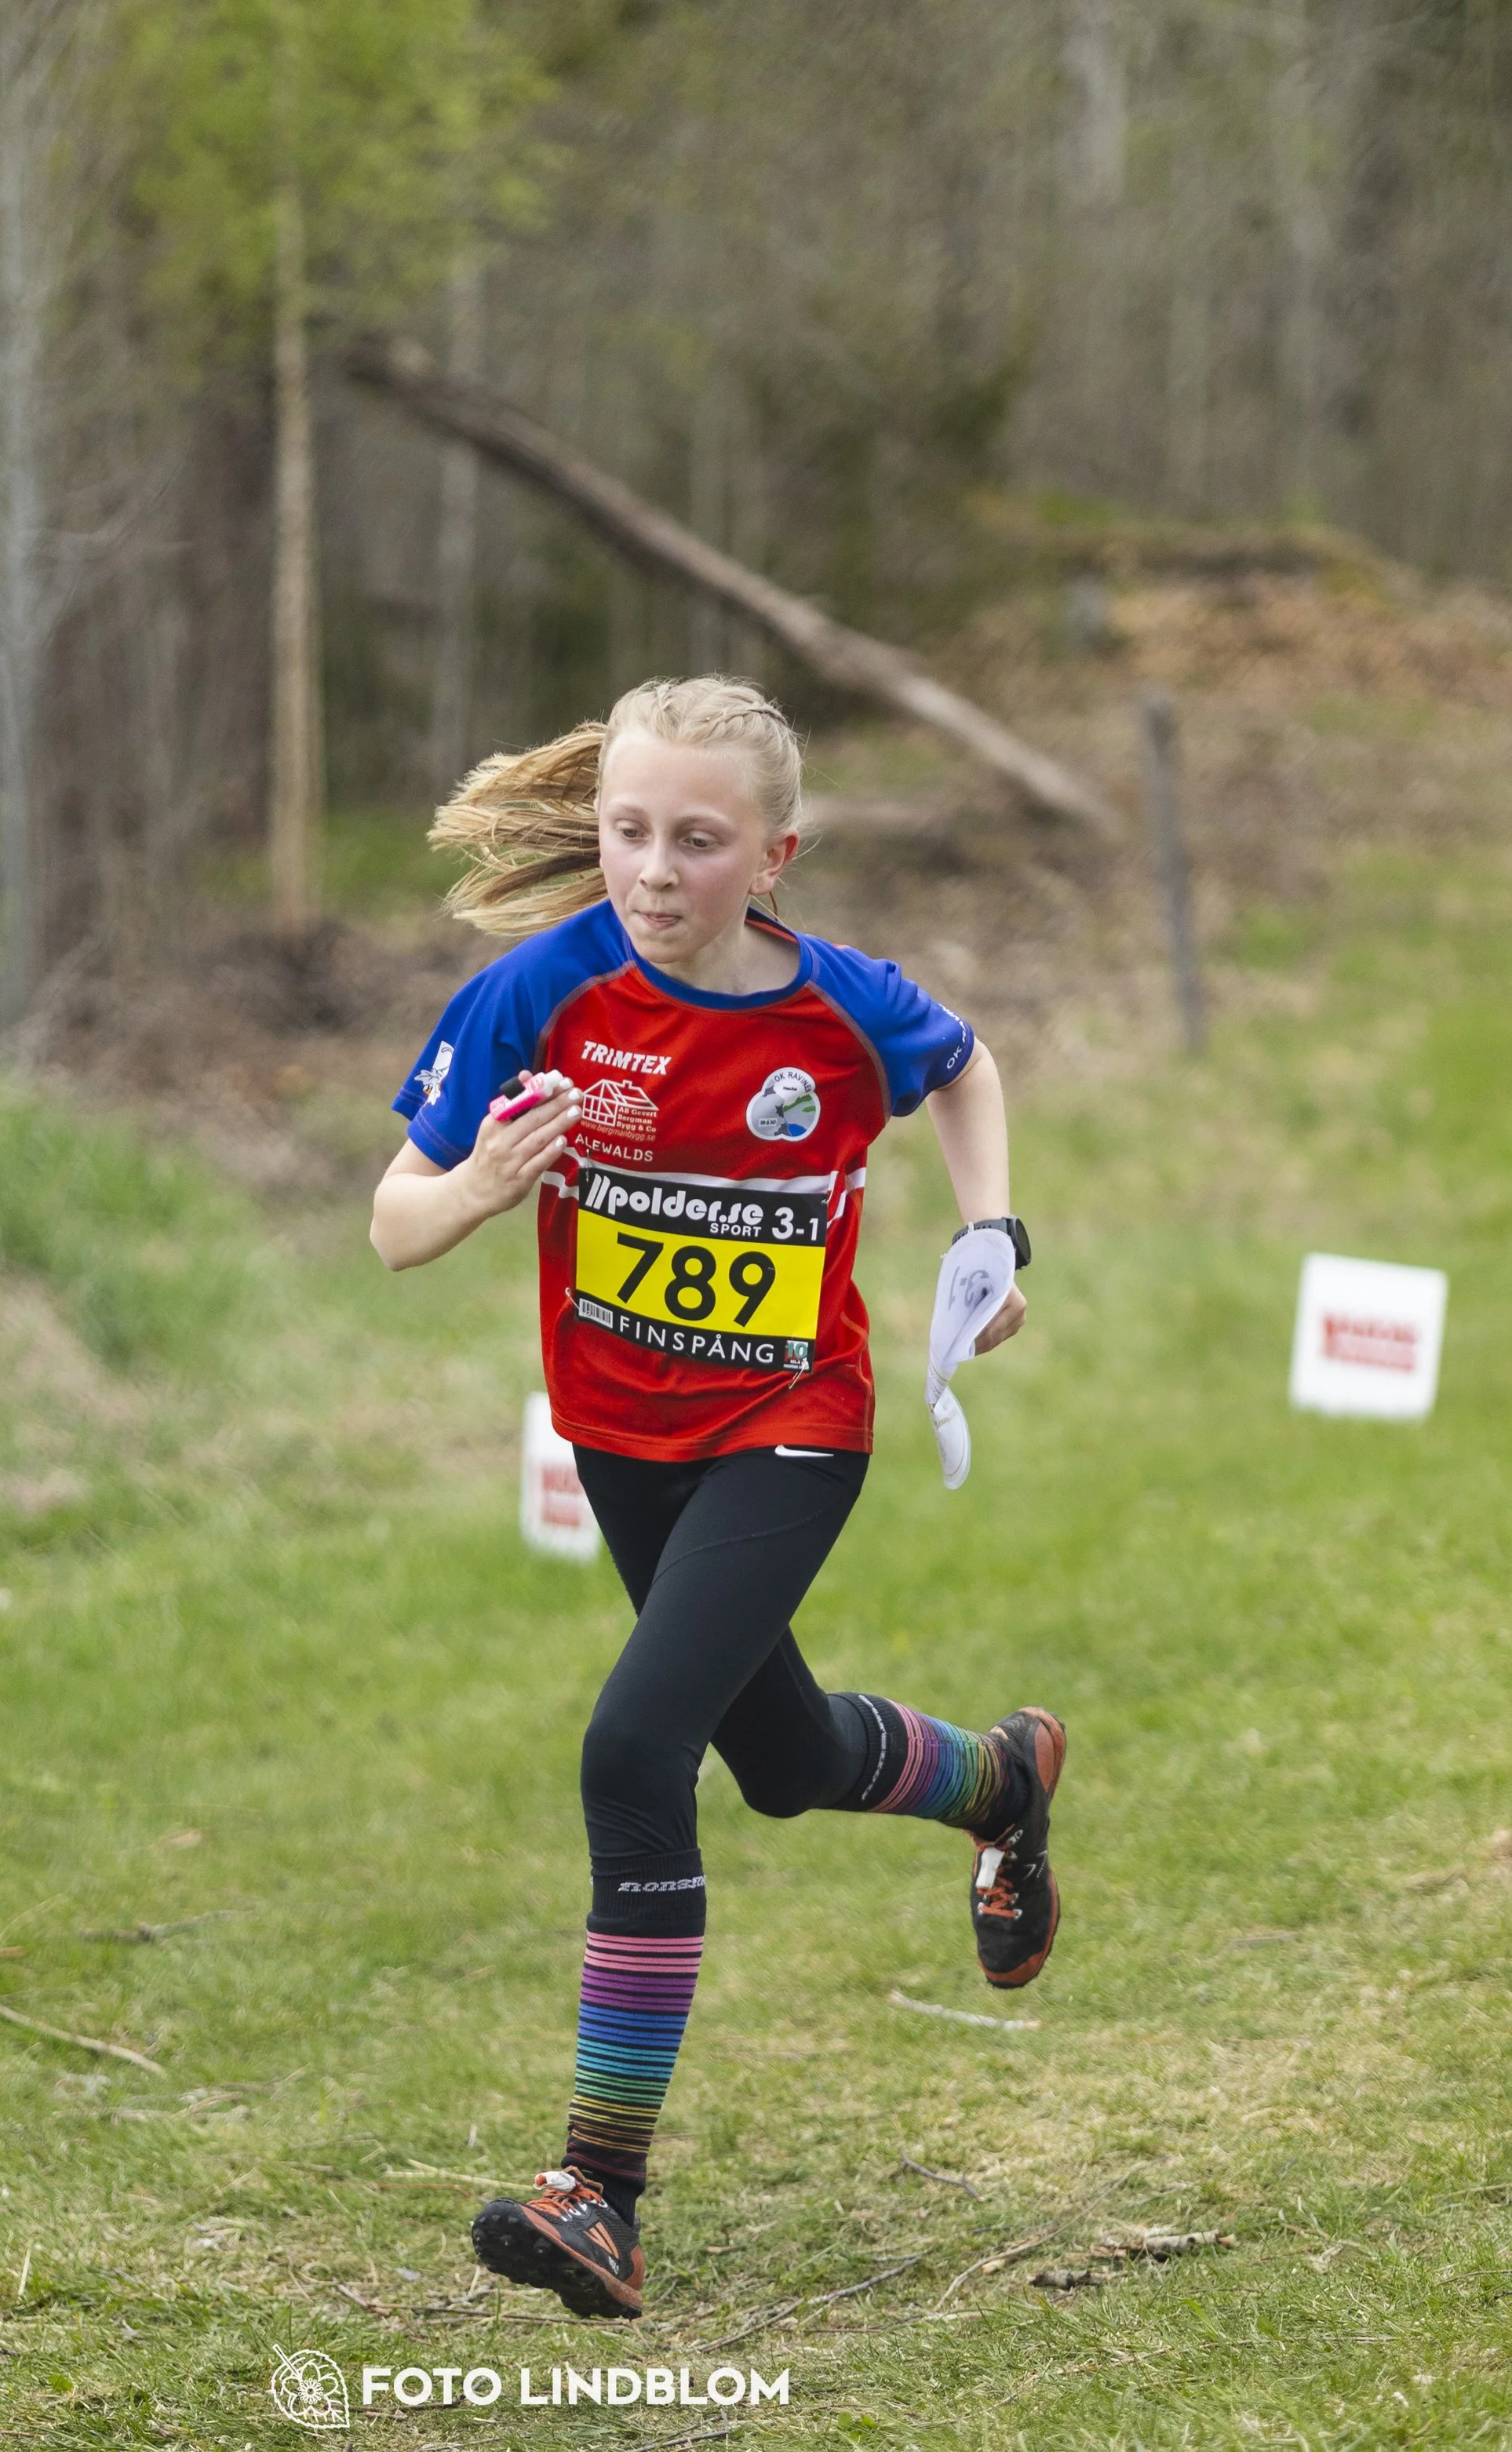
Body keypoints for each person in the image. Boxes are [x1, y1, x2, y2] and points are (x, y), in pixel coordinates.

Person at [370, 677, 1062, 2323]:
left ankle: (596, 2188)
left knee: (631, 1746)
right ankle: (995, 1781)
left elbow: (961, 1067)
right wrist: (480, 1181)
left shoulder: (838, 1009)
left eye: (695, 839)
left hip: (793, 1419)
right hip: (621, 1432)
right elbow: (394, 1221)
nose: (653, 868)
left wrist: (991, 1232)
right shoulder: (538, 992)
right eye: (625, 832)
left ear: (772, 852)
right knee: (782, 1757)